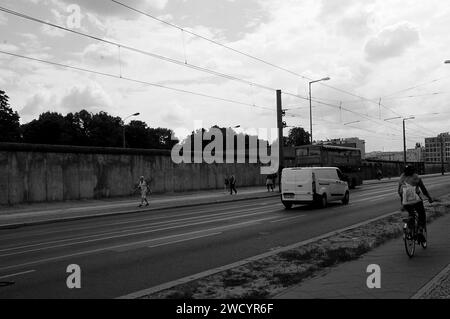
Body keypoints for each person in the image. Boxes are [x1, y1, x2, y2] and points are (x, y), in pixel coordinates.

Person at [398, 165, 433, 240]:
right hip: (416, 201)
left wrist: (403, 202)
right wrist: (429, 198)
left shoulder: (402, 179)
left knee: (410, 216)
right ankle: (420, 229)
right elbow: (424, 190)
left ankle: (410, 230)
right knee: (421, 213)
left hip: (406, 203)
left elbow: (399, 192)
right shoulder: (416, 178)